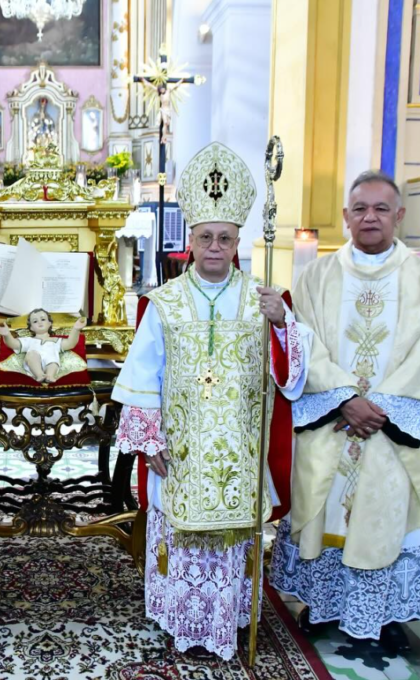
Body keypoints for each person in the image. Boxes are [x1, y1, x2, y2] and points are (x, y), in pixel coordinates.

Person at [112, 141, 311, 658]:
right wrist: (145, 438)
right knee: (181, 534)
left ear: (238, 240)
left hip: (238, 450)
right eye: (206, 237)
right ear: (191, 241)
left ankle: (226, 622)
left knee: (228, 541)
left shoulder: (264, 299)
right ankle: (185, 621)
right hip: (181, 446)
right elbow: (141, 374)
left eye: (225, 237)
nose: (216, 246)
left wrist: (282, 324)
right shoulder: (164, 302)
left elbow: (290, 379)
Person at [270, 171, 420, 650]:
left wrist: (379, 410)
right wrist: (346, 399)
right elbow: (305, 344)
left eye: (381, 209)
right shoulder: (316, 275)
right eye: (360, 209)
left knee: (384, 511)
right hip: (333, 418)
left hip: (391, 425)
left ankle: (376, 612)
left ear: (399, 216)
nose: (370, 217)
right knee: (324, 508)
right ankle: (322, 604)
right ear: (346, 216)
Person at [0, 310, 86, 383]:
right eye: (35, 321)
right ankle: (39, 375)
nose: (39, 322)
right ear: (31, 327)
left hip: (52, 365)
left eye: (43, 319)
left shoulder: (55, 341)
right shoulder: (29, 341)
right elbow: (13, 344)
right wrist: (7, 335)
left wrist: (76, 329)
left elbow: (71, 343)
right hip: (33, 366)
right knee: (32, 354)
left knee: (52, 359)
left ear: (50, 323)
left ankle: (50, 376)